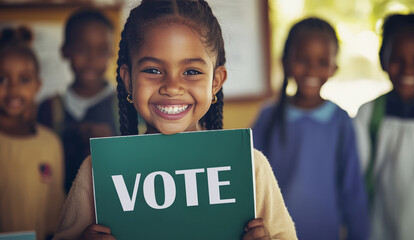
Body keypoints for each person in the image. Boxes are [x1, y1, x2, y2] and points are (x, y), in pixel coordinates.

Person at [53, 1, 297, 240]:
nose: (172, 87)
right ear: (128, 80)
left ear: (215, 82)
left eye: (191, 72)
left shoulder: (250, 167)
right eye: (153, 70)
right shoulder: (97, 172)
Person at [252, 17, 369, 240]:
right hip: (275, 234)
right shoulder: (268, 116)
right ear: (285, 62)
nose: (312, 69)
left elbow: (352, 189)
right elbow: (249, 177)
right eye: (302, 59)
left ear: (334, 68)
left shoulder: (340, 121)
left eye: (322, 62)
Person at [354, 13, 414, 240]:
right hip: (381, 228)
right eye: (398, 59)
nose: (408, 69)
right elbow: (355, 177)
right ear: (382, 59)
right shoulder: (369, 114)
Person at [37, 9, 119, 193]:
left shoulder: (125, 107)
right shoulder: (47, 109)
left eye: (101, 51)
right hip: (60, 211)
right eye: (82, 50)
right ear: (65, 51)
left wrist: (112, 147)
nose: (92, 59)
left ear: (111, 52)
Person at [0, 26, 65, 240]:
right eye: (2, 79)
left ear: (38, 85)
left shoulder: (50, 143)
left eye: (24, 79)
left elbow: (54, 212)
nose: (13, 88)